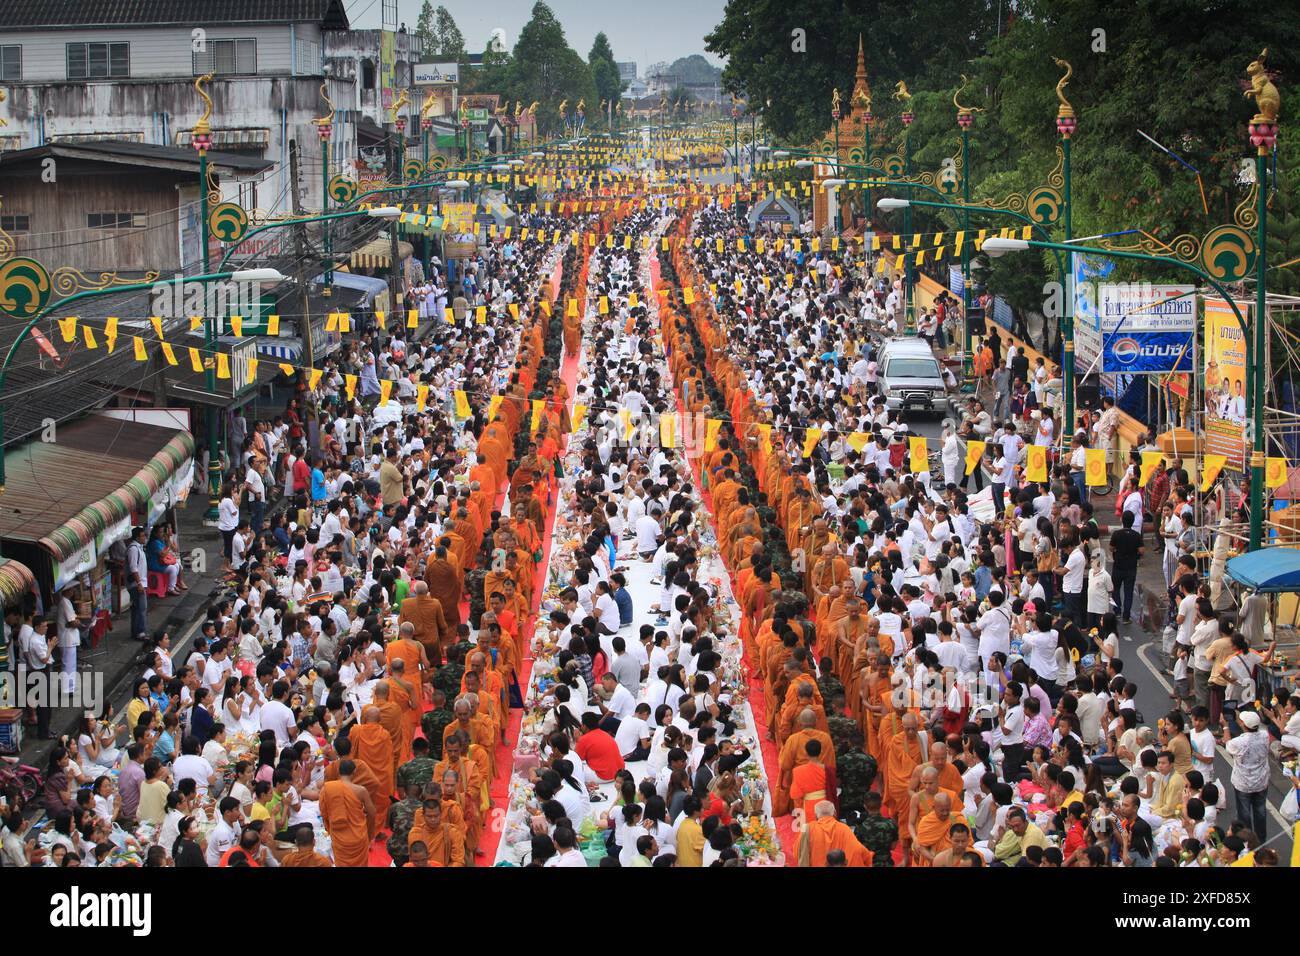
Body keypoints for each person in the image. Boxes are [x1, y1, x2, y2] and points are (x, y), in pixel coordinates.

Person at [1222, 710, 1270, 839]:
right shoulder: (1265, 736)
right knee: (1260, 812)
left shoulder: (1239, 742)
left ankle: (1248, 842)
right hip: (1261, 781)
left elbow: (1228, 744)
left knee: (1244, 814)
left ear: (1243, 724)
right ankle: (1261, 840)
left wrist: (1225, 726)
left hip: (1243, 784)